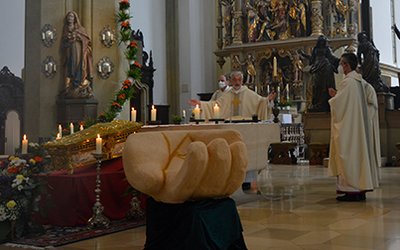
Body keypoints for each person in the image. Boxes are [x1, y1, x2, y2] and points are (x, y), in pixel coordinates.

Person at [327, 52, 380, 202]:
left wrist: (333, 97)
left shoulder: (348, 82)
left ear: (347, 65)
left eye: (343, 64)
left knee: (348, 154)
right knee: (357, 156)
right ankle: (360, 190)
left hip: (349, 127)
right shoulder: (358, 81)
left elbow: (341, 104)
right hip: (357, 127)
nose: (342, 67)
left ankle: (351, 191)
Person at [189, 71, 276, 120]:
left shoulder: (249, 93)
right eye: (235, 80)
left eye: (239, 80)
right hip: (229, 123)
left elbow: (261, 102)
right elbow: (215, 105)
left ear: (242, 81)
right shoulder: (227, 94)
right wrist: (200, 104)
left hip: (245, 124)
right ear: (231, 81)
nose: (237, 82)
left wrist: (268, 99)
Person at [302, 35, 339, 112]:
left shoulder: (327, 49)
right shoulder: (315, 49)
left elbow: (332, 57)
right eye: (321, 40)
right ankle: (317, 104)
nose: (322, 42)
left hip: (325, 68)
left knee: (324, 87)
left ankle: (324, 104)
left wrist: (339, 60)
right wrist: (303, 54)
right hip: (317, 68)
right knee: (316, 86)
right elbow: (312, 58)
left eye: (323, 41)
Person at [62, 11, 94, 98]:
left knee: (79, 66)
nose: (70, 18)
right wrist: (68, 39)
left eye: (72, 17)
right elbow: (63, 43)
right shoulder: (66, 29)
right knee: (70, 67)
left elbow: (87, 40)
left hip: (79, 52)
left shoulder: (80, 29)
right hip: (70, 52)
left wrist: (79, 37)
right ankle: (70, 86)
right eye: (69, 17)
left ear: (75, 19)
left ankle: (80, 83)